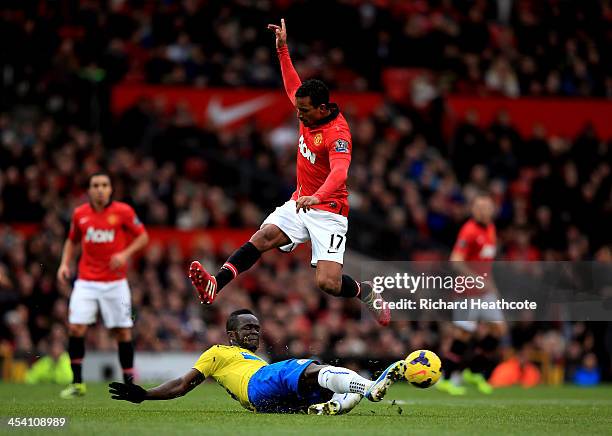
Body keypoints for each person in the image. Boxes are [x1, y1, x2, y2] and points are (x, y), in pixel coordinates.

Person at [188, 18, 390, 326]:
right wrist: (282, 48)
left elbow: (340, 174)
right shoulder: (307, 110)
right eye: (298, 109)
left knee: (328, 283)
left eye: (304, 111)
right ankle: (216, 283)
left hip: (329, 211)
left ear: (322, 108)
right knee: (263, 236)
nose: (298, 115)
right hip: (301, 202)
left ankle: (365, 291)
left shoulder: (337, 134)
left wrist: (317, 196)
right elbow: (292, 83)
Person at [108, 309, 405, 414]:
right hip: (256, 387)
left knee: (325, 380)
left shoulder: (256, 358)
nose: (254, 331)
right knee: (309, 367)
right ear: (231, 334)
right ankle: (370, 386)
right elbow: (182, 385)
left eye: (257, 328)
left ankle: (337, 404)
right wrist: (146, 395)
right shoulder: (217, 352)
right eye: (248, 328)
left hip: (269, 402)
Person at [57, 172, 149, 398]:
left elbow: (143, 236)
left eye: (104, 185)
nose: (100, 189)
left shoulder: (123, 211)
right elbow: (71, 240)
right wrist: (64, 264)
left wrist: (124, 254)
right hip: (86, 281)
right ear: (89, 190)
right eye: (95, 185)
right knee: (76, 328)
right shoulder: (80, 214)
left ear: (110, 189)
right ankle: (77, 383)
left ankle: (129, 383)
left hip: (115, 283)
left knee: (122, 332)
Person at [438, 192, 503, 395]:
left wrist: (493, 287)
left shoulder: (491, 229)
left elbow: (486, 266)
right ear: (474, 210)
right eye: (480, 207)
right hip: (467, 291)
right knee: (464, 334)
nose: (484, 211)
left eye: (487, 207)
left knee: (499, 330)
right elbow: (455, 261)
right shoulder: (469, 230)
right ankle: (446, 378)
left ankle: (474, 371)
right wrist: (476, 279)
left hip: (485, 291)